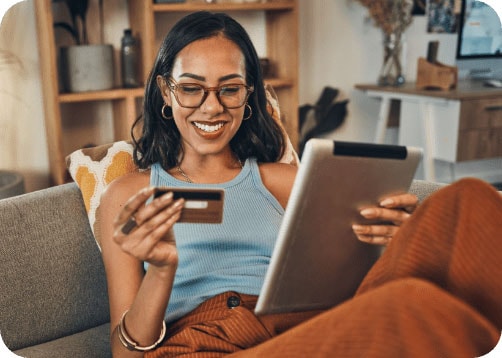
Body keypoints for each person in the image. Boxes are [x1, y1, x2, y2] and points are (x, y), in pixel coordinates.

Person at [99, 11, 502, 358]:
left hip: (295, 329)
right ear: (165, 93)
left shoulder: (289, 182)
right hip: (202, 344)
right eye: (191, 88)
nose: (212, 106)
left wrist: (394, 242)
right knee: (408, 306)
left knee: (470, 199)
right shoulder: (129, 195)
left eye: (230, 89)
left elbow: (343, 284)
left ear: (248, 95)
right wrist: (162, 271)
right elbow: (125, 353)